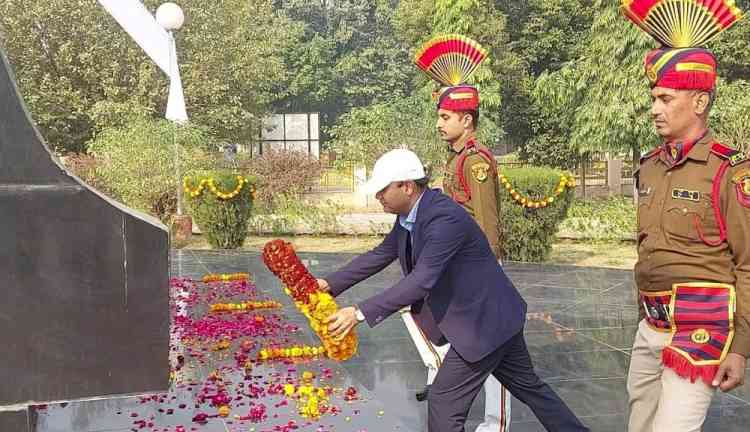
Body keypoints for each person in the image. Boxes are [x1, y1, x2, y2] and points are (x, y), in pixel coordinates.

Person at [319, 148, 589, 432]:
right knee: (532, 389)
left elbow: (422, 280)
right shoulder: (411, 216)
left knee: (444, 405)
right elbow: (379, 255)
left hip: (482, 326)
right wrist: (329, 284)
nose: (378, 197)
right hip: (498, 317)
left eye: (382, 190)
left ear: (406, 186)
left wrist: (359, 312)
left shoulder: (443, 219)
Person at [621, 2, 750, 431]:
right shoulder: (650, 165)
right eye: (653, 98)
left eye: (665, 98)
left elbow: (747, 263)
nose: (655, 108)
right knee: (639, 425)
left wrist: (741, 347)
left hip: (702, 327)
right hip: (650, 325)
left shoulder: (730, 171)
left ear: (698, 101)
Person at [410, 34, 509, 432]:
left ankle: (497, 423)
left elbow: (485, 221)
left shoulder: (476, 162)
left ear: (467, 120)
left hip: (479, 270)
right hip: (458, 268)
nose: (439, 124)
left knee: (496, 348)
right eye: (439, 116)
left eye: (445, 118)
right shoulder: (456, 160)